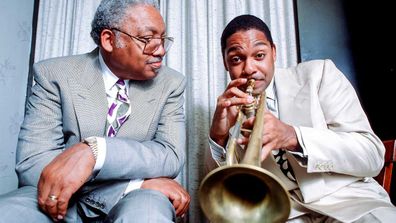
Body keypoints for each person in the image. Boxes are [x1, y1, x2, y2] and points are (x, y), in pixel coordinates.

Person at [0, 0, 190, 222]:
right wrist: (135, 184)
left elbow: (169, 155)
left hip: (137, 199)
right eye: (147, 39)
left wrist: (96, 152)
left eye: (163, 39)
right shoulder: (53, 74)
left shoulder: (171, 84)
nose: (161, 50)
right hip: (55, 199)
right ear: (109, 40)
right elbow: (33, 165)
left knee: (148, 213)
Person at [206, 14, 396, 222]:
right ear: (225, 63)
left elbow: (372, 156)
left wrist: (293, 137)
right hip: (287, 213)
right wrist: (218, 137)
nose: (249, 68)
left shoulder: (319, 75)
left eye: (259, 55)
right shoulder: (229, 109)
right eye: (236, 59)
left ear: (274, 53)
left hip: (351, 201)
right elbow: (224, 195)